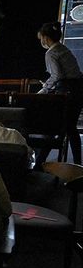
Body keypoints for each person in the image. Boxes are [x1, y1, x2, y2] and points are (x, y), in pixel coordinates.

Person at [37, 21, 83, 165]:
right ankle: (77, 164)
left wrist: (43, 90)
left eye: (41, 39)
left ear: (45, 38)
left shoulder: (51, 53)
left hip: (66, 93)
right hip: (78, 91)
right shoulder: (64, 49)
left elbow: (56, 76)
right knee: (71, 128)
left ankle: (39, 164)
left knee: (52, 127)